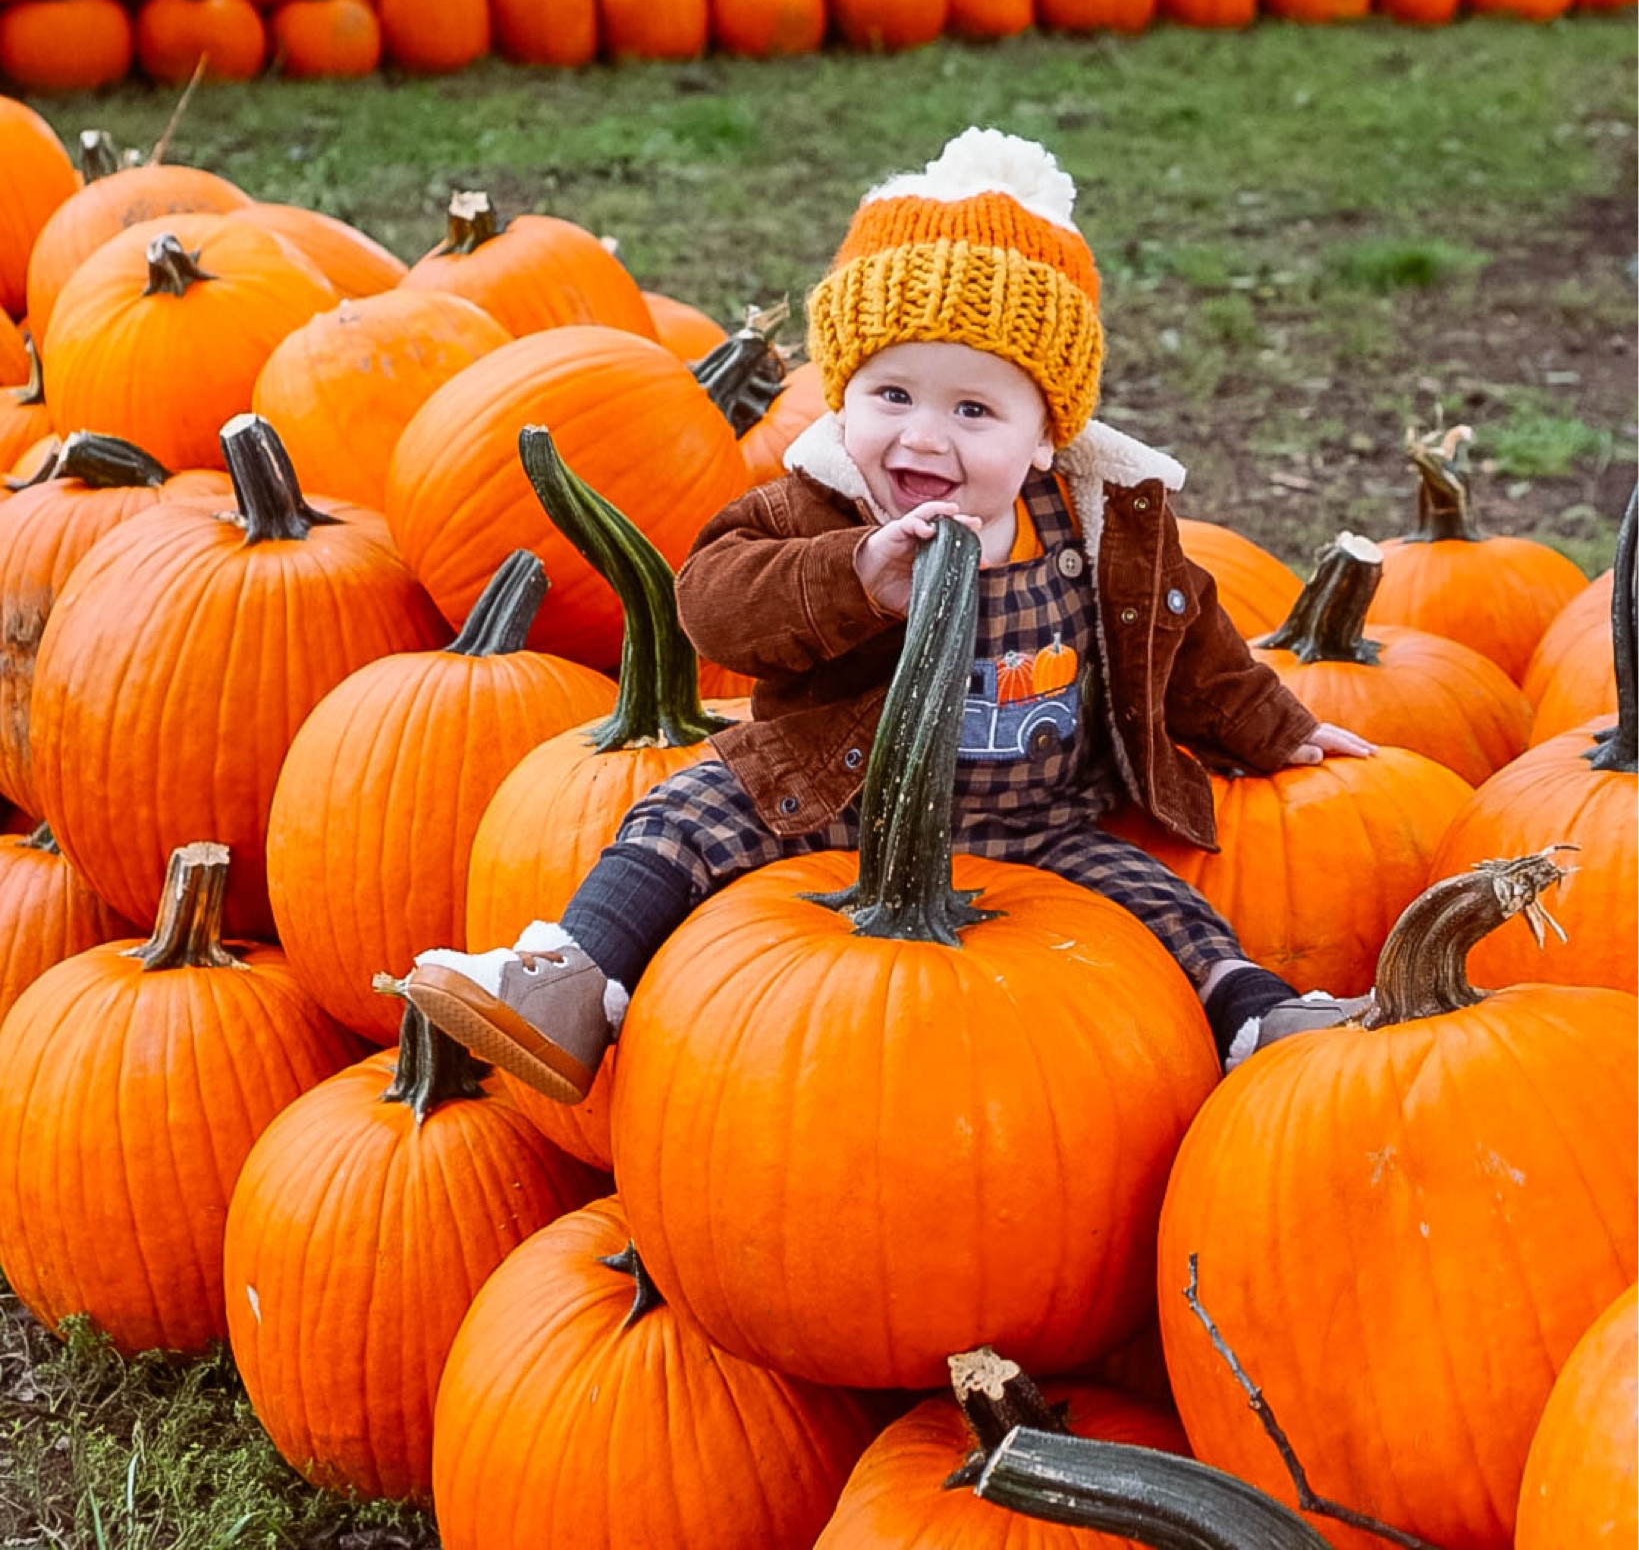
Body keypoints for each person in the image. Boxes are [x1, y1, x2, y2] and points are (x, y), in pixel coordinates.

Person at [407, 128, 1373, 1097]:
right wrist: (853, 576)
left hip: (1041, 821)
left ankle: (1254, 1014)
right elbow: (713, 605)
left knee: (1161, 901)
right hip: (833, 798)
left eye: (972, 411)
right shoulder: (815, 508)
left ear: (1047, 437)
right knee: (681, 812)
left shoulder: (1094, 528)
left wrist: (1273, 726)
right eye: (893, 392)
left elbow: (1189, 637)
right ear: (841, 397)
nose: (922, 435)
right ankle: (575, 981)